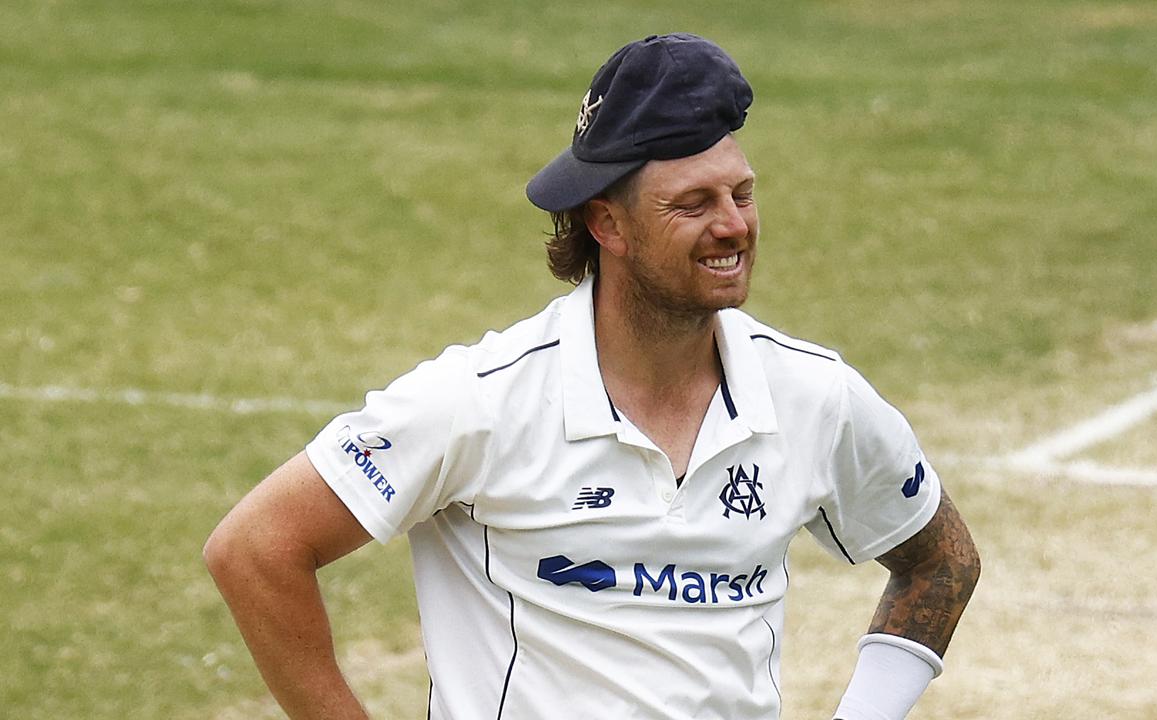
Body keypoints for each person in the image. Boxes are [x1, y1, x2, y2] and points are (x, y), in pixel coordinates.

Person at [204, 33, 980, 720]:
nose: (734, 225)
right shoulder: (482, 401)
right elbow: (256, 548)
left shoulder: (814, 396)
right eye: (693, 203)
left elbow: (940, 559)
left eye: (741, 194)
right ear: (607, 223)